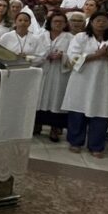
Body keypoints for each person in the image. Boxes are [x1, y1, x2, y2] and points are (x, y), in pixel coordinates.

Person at [62, 12, 108, 157]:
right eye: (98, 20)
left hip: (105, 81)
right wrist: (95, 56)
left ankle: (96, 145)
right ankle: (75, 142)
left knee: (101, 111)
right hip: (83, 79)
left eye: (104, 21)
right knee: (78, 109)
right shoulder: (81, 37)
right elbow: (72, 56)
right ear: (91, 22)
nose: (101, 23)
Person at [35, 12, 72, 142]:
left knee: (57, 99)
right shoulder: (40, 36)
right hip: (43, 70)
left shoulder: (70, 38)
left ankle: (55, 128)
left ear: (65, 24)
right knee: (40, 97)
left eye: (61, 21)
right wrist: (45, 56)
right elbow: (34, 53)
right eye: (55, 21)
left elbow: (74, 57)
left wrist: (63, 56)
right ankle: (37, 124)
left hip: (60, 73)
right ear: (50, 22)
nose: (58, 23)